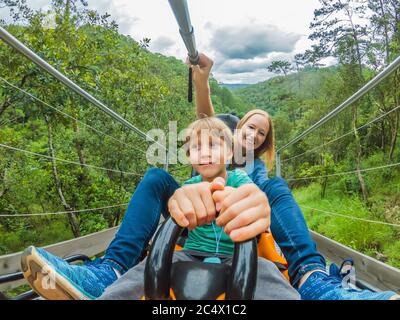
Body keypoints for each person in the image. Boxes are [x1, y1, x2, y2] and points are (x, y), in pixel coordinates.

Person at [21, 53, 399, 300]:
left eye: (261, 134)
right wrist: (202, 80)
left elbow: (252, 192)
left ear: (262, 143)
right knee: (155, 178)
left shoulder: (256, 172)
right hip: (194, 219)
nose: (252, 135)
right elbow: (206, 123)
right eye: (249, 127)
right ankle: (107, 272)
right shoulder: (214, 143)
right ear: (236, 133)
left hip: (244, 226)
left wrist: (255, 199)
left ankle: (314, 280)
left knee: (274, 194)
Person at [97, 116, 300, 300]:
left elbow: (250, 195)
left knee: (269, 275)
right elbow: (179, 209)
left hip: (236, 255)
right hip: (190, 252)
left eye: (212, 145)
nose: (204, 153)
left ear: (230, 153)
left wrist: (237, 201)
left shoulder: (240, 179)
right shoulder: (188, 186)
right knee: (143, 271)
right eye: (196, 148)